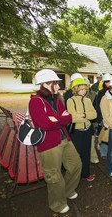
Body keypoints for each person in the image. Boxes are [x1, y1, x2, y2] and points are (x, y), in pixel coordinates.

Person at [29, 69, 82, 214]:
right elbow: (45, 125)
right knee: (54, 175)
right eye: (56, 84)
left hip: (65, 139)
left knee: (76, 165)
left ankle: (66, 191)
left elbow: (68, 117)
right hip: (49, 145)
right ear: (45, 84)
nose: (59, 87)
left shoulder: (57, 100)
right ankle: (57, 204)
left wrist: (57, 119)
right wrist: (61, 119)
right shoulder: (35, 102)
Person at [67, 78, 97, 182]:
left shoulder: (88, 100)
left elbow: (94, 115)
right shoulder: (70, 101)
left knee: (86, 153)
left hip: (87, 130)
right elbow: (72, 117)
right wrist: (87, 116)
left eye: (85, 88)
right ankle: (76, 175)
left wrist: (83, 115)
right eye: (82, 89)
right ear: (75, 89)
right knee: (76, 155)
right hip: (77, 132)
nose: (85, 91)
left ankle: (86, 173)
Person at [94, 73, 112, 159]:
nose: (108, 83)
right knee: (104, 134)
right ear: (104, 82)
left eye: (109, 81)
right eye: (107, 82)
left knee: (110, 135)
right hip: (103, 117)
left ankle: (110, 151)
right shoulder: (101, 92)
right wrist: (102, 117)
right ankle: (103, 152)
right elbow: (98, 105)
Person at [84, 77, 99, 164]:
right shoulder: (77, 96)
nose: (85, 88)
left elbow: (95, 108)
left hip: (92, 121)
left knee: (92, 140)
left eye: (87, 85)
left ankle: (93, 156)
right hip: (81, 121)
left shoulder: (93, 94)